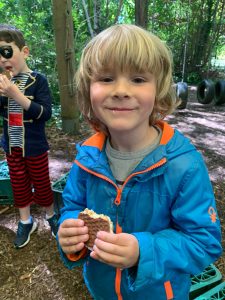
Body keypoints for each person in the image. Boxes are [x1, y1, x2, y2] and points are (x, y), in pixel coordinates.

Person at [57, 24, 222, 300]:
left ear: (158, 90)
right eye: (106, 78)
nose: (121, 90)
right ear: (88, 90)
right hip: (102, 291)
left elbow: (203, 242)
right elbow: (72, 206)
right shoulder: (87, 158)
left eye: (138, 79)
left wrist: (142, 251)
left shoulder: (183, 166)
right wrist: (70, 228)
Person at [0, 24, 58, 249]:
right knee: (18, 184)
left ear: (24, 52)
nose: (3, 59)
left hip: (34, 147)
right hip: (12, 146)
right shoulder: (4, 83)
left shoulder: (38, 80)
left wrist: (16, 95)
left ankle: (51, 216)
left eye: (7, 51)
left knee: (42, 183)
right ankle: (26, 221)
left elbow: (44, 114)